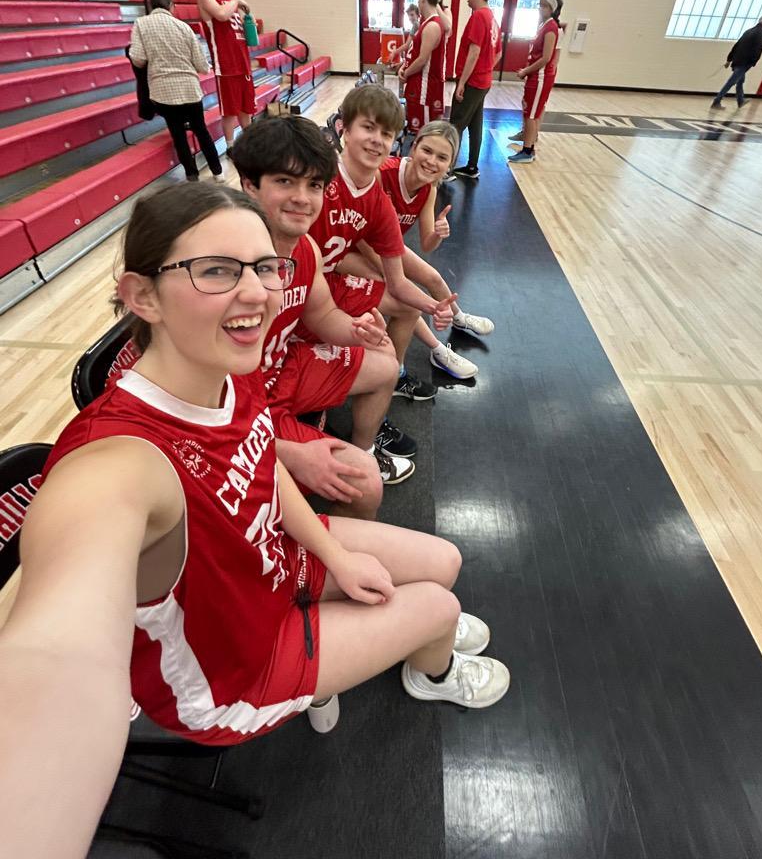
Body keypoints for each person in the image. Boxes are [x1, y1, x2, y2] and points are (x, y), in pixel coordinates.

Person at [0, 182, 509, 859]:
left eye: (264, 267)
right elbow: (54, 653)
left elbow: (262, 461)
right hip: (233, 670)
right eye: (216, 270)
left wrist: (334, 555)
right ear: (142, 295)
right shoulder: (115, 461)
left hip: (267, 569)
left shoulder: (223, 363)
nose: (257, 293)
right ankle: (433, 675)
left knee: (444, 562)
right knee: (438, 606)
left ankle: (405, 645)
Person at [231, 117, 415, 499]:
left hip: (285, 368)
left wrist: (356, 330)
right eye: (285, 181)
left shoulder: (306, 250)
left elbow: (323, 315)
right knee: (363, 485)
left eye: (314, 184)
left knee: (385, 366)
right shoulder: (225, 266)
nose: (302, 197)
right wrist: (283, 451)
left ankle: (365, 448)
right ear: (250, 185)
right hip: (242, 403)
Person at [306, 85, 455, 402]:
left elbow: (405, 269)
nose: (377, 139)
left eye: (386, 133)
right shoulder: (317, 178)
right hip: (305, 278)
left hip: (329, 276)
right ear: (344, 129)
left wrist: (434, 306)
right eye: (368, 128)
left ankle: (392, 377)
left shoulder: (384, 199)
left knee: (411, 302)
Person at [340, 122, 495, 381]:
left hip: (384, 245)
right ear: (414, 148)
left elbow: (426, 245)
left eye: (442, 157)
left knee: (433, 277)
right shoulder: (382, 174)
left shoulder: (428, 189)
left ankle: (457, 317)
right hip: (353, 246)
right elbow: (359, 231)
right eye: (427, 151)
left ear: (449, 165)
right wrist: (387, 269)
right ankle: (437, 349)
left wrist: (438, 233)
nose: (432, 161)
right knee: (402, 295)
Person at [128, 0, 224, 183]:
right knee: (201, 130)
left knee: (178, 135)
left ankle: (192, 176)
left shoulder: (141, 24)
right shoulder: (183, 27)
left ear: (151, 5)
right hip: (190, 89)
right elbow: (201, 65)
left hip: (163, 92)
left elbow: (137, 58)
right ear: (171, 5)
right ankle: (218, 172)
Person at [197, 0, 255, 153]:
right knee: (230, 110)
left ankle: (250, 143)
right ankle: (230, 147)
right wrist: (237, 2)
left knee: (246, 107)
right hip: (226, 63)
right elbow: (221, 15)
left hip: (242, 60)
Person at [448, 0, 503, 181]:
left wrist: (462, 82)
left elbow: (474, 52)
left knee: (456, 124)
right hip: (483, 81)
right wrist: (486, 69)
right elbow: (498, 53)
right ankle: (472, 166)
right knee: (475, 124)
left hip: (472, 82)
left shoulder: (479, 16)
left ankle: (446, 170)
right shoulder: (492, 18)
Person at [509, 0, 562, 165]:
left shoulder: (551, 27)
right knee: (528, 111)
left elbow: (546, 57)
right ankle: (527, 145)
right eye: (540, 4)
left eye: (544, 5)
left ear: (552, 8)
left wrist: (526, 70)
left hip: (540, 77)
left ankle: (528, 151)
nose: (540, 8)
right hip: (534, 76)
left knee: (531, 114)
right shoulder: (543, 25)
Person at [398, 0, 446, 138]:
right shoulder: (426, 23)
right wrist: (403, 67)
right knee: (417, 132)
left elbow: (422, 60)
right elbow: (413, 53)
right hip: (418, 85)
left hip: (424, 88)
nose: (418, 1)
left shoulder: (432, 25)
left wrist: (406, 74)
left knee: (423, 134)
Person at [711, 14, 762, 110]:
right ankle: (717, 101)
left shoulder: (749, 31)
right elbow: (757, 48)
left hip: (737, 60)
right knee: (732, 81)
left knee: (740, 81)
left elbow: (737, 45)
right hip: (745, 62)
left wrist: (729, 59)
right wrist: (753, 61)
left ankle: (740, 101)